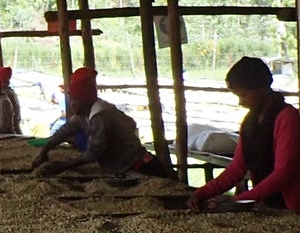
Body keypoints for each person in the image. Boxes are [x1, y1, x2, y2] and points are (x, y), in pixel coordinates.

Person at [189, 56, 300, 211]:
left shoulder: (288, 117)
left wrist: (239, 200)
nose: (240, 102)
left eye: (243, 95)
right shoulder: (250, 121)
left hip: (292, 206)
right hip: (268, 204)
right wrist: (203, 193)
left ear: (261, 88)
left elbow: (284, 172)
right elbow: (237, 168)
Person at [31, 67, 171, 179]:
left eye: (75, 101)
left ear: (85, 100)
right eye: (71, 100)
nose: (72, 105)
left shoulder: (101, 115)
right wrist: (44, 151)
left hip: (139, 167)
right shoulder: (81, 115)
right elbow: (63, 132)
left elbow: (93, 154)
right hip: (120, 167)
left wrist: (61, 166)